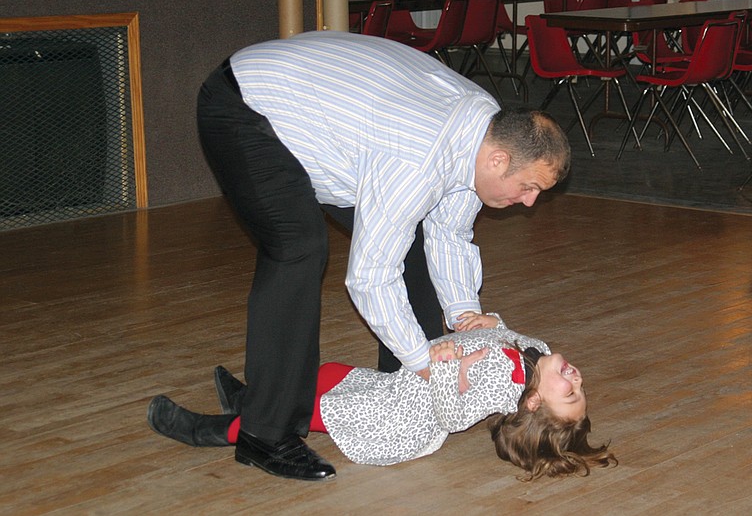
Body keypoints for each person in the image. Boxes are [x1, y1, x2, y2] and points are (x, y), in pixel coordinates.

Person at [195, 30, 571, 481]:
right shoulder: (420, 157)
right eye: (528, 187)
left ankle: (401, 394)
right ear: (498, 161)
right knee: (298, 249)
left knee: (406, 242)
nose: (530, 201)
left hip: (328, 126)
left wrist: (465, 311)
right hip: (247, 106)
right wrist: (422, 360)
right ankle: (265, 432)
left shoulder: (483, 134)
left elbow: (448, 231)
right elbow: (370, 276)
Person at [148, 313, 616, 480]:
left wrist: (452, 364)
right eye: (580, 386)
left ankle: (209, 430)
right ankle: (250, 401)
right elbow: (512, 334)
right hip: (395, 390)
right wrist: (493, 323)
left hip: (395, 417)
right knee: (328, 374)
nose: (576, 380)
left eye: (569, 393)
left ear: (534, 404)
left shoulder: (504, 382)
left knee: (298, 410)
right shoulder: (532, 356)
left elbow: (451, 415)